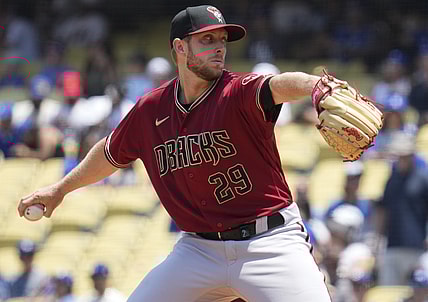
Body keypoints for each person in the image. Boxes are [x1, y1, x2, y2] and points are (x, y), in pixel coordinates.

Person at [18, 5, 336, 301]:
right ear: (180, 48)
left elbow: (278, 85)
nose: (219, 47)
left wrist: (316, 86)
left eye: (222, 40)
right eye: (207, 39)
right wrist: (60, 189)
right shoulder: (151, 109)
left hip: (269, 242)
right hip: (199, 249)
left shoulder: (237, 91)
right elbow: (110, 153)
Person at [375, 133, 428, 286]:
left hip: (418, 247)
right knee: (390, 292)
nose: (401, 160)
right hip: (393, 245)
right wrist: (379, 239)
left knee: (419, 291)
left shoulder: (423, 178)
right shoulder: (392, 180)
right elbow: (384, 210)